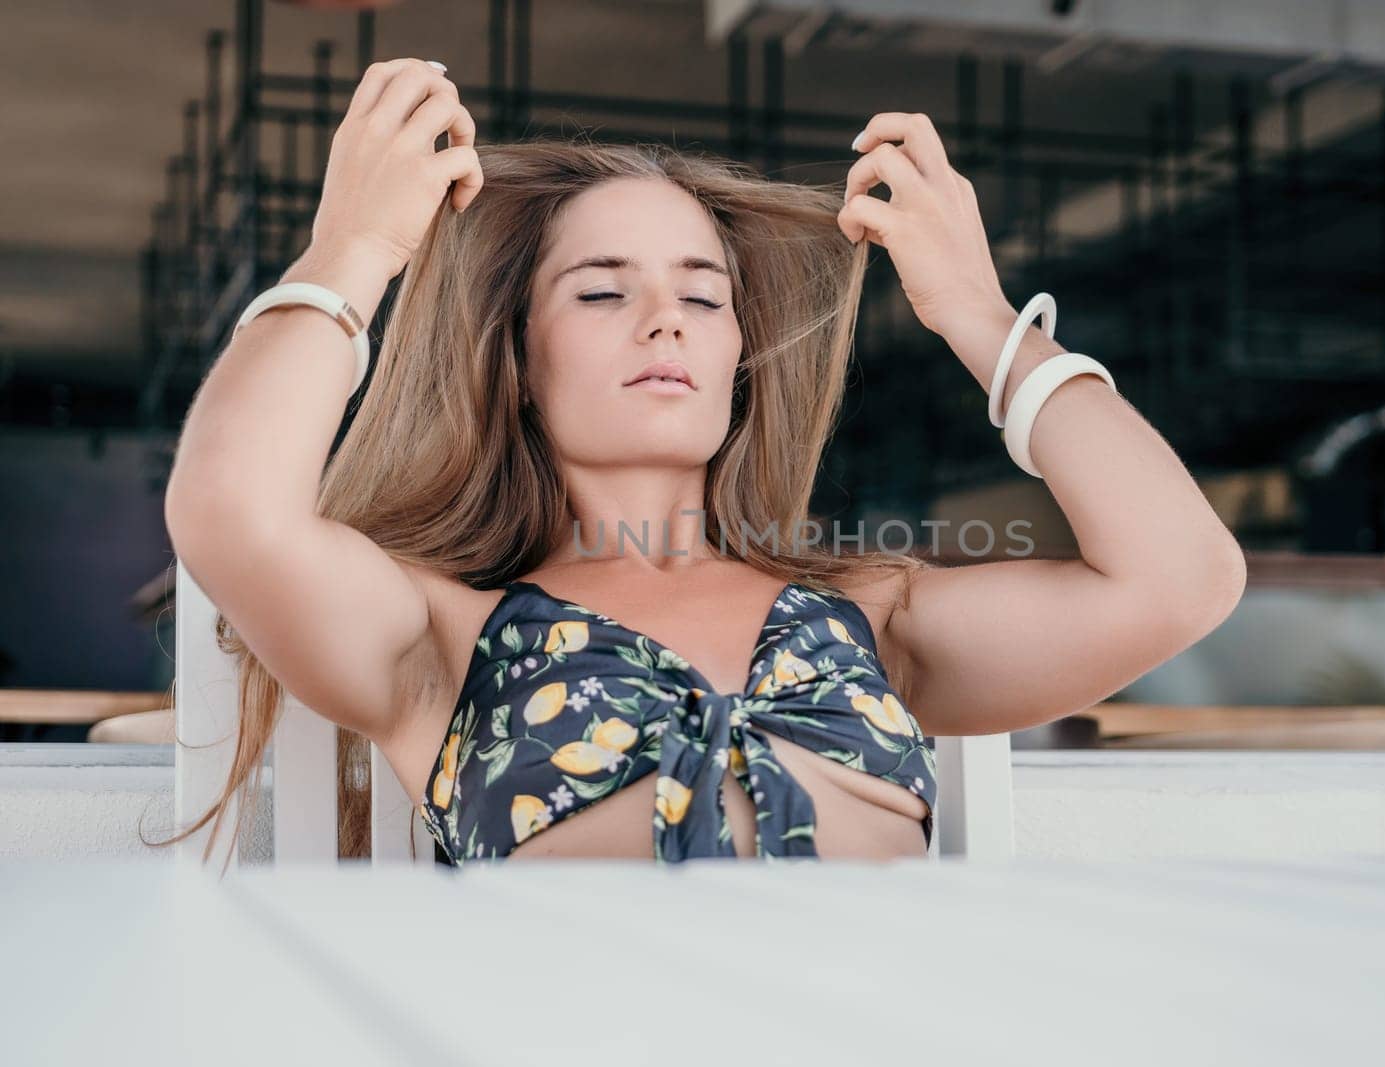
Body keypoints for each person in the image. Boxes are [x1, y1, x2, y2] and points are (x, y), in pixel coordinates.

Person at [158, 57, 1247, 871]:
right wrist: (351, 251)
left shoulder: (871, 616)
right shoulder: (436, 634)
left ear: (737, 356)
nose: (663, 320)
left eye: (702, 294)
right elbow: (231, 512)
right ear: (521, 362)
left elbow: (1182, 578)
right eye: (600, 289)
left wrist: (978, 314)